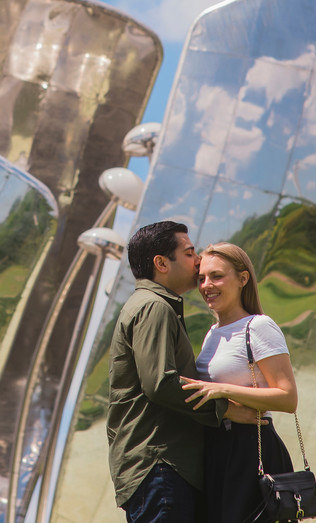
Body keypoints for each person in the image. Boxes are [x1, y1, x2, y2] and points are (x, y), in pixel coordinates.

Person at [108, 222, 260, 522]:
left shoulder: (151, 305)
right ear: (161, 263)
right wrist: (226, 408)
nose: (198, 261)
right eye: (190, 253)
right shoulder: (154, 307)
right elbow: (160, 383)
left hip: (160, 468)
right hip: (160, 465)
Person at [180, 242, 299, 523]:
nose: (207, 285)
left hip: (250, 450)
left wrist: (222, 390)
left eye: (217, 276)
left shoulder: (258, 326)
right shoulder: (212, 333)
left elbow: (288, 398)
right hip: (217, 448)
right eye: (201, 279)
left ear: (243, 279)